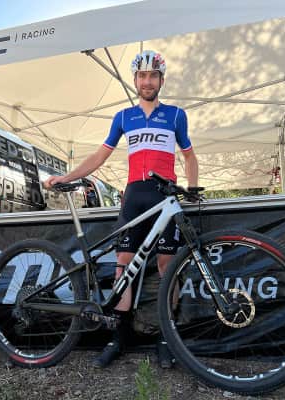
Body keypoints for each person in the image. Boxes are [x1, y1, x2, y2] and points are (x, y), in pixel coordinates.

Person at [44, 50, 199, 369]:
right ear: (135, 81)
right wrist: (67, 177)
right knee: (123, 267)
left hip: (163, 195)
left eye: (153, 76)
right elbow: (99, 156)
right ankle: (118, 337)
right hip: (134, 197)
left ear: (161, 80)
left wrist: (193, 189)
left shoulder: (175, 115)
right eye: (142, 76)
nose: (147, 81)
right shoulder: (124, 117)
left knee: (168, 268)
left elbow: (188, 155)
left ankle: (166, 338)